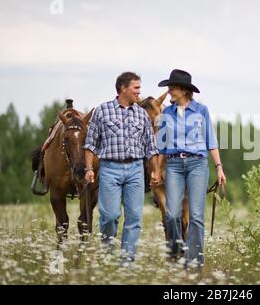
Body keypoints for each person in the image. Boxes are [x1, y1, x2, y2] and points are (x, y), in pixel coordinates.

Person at [83, 71, 161, 262]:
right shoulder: (102, 111)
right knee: (109, 216)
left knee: (134, 218)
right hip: (110, 168)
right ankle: (108, 256)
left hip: (135, 169)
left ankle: (126, 264)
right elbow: (90, 144)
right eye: (136, 88)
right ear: (123, 88)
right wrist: (89, 169)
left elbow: (151, 147)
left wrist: (155, 170)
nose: (138, 92)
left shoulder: (142, 115)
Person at [156, 69, 226, 268]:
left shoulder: (201, 111)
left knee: (196, 215)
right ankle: (177, 251)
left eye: (172, 88)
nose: (169, 92)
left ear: (184, 90)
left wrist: (219, 168)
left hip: (197, 164)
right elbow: (162, 144)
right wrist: (157, 170)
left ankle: (193, 262)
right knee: (171, 214)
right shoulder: (167, 113)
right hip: (174, 165)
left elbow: (211, 141)